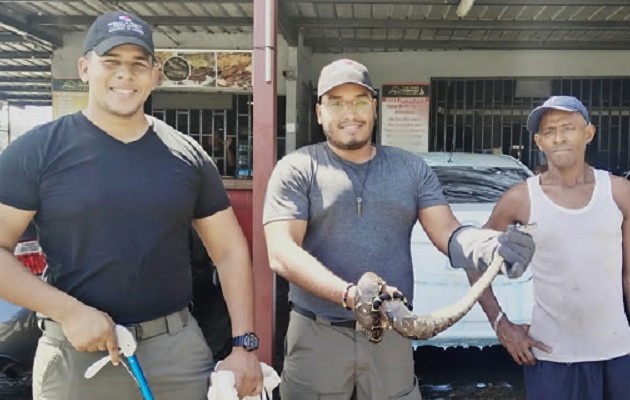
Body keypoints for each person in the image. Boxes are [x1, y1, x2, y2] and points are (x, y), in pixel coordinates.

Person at [0, 11, 262, 400]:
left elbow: (229, 250)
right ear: (85, 68)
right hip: (75, 357)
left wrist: (244, 346)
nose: (126, 74)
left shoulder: (187, 155)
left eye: (139, 63)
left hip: (175, 355)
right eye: (111, 62)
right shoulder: (36, 153)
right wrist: (68, 310)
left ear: (155, 75)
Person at [262, 58, 536, 400]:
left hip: (392, 332)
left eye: (360, 101)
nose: (350, 113)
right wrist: (349, 296)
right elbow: (282, 252)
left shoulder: (410, 168)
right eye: (337, 103)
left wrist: (493, 246)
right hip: (317, 334)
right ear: (320, 112)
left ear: (374, 108)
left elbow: (449, 234)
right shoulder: (298, 168)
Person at [466, 95, 630, 400]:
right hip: (551, 357)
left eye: (568, 127)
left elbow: (628, 277)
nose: (559, 137)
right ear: (539, 141)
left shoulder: (619, 192)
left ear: (588, 133)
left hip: (618, 352)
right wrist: (501, 324)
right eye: (549, 131)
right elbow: (473, 259)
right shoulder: (520, 199)